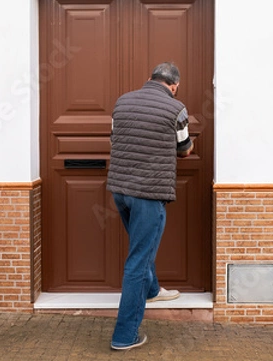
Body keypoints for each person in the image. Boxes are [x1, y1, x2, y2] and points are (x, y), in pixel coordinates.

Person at [106, 62, 194, 350]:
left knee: (141, 246)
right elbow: (184, 150)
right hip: (148, 193)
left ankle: (153, 290)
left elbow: (115, 137)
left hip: (121, 190)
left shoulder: (122, 101)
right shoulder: (176, 108)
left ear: (149, 79)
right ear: (174, 86)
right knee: (138, 262)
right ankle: (124, 335)